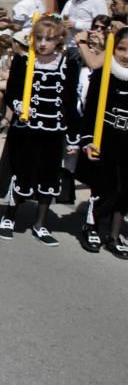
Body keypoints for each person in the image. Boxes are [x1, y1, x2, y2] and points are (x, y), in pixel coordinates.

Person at [0, 17, 79, 246]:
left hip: (53, 131)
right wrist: (19, 104)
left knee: (49, 176)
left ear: (59, 40)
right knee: (21, 171)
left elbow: (71, 101)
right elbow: (12, 92)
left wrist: (74, 136)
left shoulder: (68, 64)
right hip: (26, 130)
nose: (43, 43)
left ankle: (40, 223)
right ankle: (9, 217)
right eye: (39, 38)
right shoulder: (23, 62)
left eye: (49, 39)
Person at [79, 25, 128, 258]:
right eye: (121, 49)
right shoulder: (105, 72)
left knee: (124, 189)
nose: (126, 55)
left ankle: (114, 234)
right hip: (105, 136)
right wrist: (88, 139)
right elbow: (90, 109)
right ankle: (92, 226)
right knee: (105, 185)